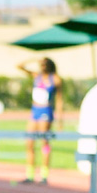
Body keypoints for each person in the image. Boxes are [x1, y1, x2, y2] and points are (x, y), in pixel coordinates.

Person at [17, 57, 63, 185]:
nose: (42, 66)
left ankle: (44, 175)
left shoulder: (55, 79)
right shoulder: (36, 76)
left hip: (45, 112)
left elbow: (59, 100)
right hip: (34, 112)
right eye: (41, 64)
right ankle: (30, 174)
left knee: (44, 143)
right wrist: (34, 59)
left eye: (44, 64)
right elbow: (19, 66)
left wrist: (60, 119)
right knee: (29, 143)